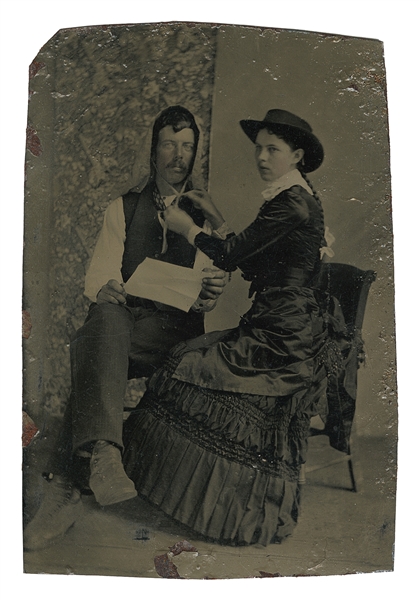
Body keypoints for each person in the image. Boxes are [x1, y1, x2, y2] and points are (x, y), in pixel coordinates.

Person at [122, 109, 342, 546]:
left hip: (284, 336)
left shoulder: (294, 202)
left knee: (186, 363)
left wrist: (188, 228)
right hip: (277, 322)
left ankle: (228, 516)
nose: (261, 157)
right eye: (258, 148)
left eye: (272, 150)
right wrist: (215, 215)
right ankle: (186, 501)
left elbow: (229, 258)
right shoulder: (290, 197)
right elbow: (253, 260)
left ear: (296, 155)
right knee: (185, 359)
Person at [24, 106, 228, 551]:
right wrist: (108, 287)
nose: (179, 156)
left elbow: (212, 285)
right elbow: (97, 274)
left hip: (175, 333)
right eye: (170, 145)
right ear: (154, 151)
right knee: (105, 318)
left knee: (94, 344)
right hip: (127, 325)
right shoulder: (124, 207)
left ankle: (67, 485)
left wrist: (212, 287)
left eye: (188, 147)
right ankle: (104, 459)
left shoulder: (204, 214)